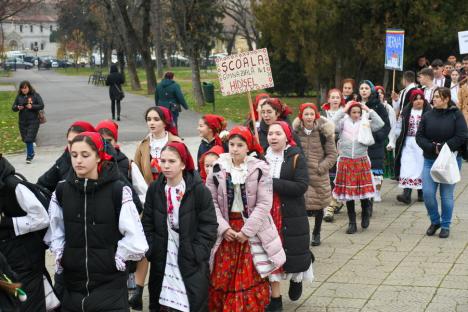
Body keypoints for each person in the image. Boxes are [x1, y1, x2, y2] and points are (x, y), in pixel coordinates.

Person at [46, 132, 148, 311]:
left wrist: (117, 258)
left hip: (110, 286)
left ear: (99, 157)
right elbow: (56, 230)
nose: (78, 160)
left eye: (85, 155)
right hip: (73, 285)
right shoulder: (62, 190)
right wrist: (64, 256)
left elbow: (135, 237)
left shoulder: (117, 190)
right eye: (74, 155)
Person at [207, 126, 286, 312]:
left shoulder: (260, 169)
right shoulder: (218, 168)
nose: (234, 149)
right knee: (222, 274)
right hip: (227, 230)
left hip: (250, 230)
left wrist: (246, 231)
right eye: (232, 144)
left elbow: (264, 204)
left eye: (239, 145)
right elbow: (210, 202)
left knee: (248, 275)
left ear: (248, 147)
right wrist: (224, 229)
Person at [142, 141, 217, 311]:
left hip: (190, 258)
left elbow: (209, 225)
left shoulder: (199, 190)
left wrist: (197, 252)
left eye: (172, 161)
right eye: (163, 161)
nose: (166, 165)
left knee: (190, 302)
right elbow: (147, 222)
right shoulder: (155, 189)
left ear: (183, 163)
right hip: (162, 256)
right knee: (162, 302)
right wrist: (151, 248)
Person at [130, 106, 182, 310]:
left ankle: (170, 291)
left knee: (166, 247)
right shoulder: (143, 145)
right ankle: (138, 290)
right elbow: (135, 170)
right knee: (144, 244)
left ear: (165, 122)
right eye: (149, 119)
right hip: (147, 201)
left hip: (170, 200)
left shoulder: (176, 143)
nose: (152, 123)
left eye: (156, 119)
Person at [265, 121, 313, 309]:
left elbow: (301, 186)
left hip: (291, 212)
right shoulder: (262, 157)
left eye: (278, 133)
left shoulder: (296, 157)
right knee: (270, 252)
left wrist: (273, 183)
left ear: (287, 137)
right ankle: (274, 298)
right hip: (268, 212)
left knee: (293, 250)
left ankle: (296, 278)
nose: (273, 137)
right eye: (270, 134)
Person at [0, 154, 52, 311]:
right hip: (6, 259)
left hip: (25, 258)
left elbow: (42, 218)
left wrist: (7, 223)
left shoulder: (13, 186)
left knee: (28, 304)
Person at [416, 87, 468, 238]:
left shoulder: (456, 115)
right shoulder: (427, 116)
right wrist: (433, 147)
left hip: (450, 161)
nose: (434, 99)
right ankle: (435, 221)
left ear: (446, 99)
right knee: (428, 193)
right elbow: (419, 137)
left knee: (446, 196)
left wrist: (444, 147)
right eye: (434, 96)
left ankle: (445, 225)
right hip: (429, 160)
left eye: (438, 97)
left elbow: (462, 135)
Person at [332, 101, 385, 234]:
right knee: (348, 194)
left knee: (363, 192)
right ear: (349, 112)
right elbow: (331, 124)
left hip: (361, 160)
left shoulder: (365, 122)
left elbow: (380, 124)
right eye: (353, 112)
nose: (356, 115)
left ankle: (365, 212)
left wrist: (368, 109)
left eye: (358, 112)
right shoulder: (343, 123)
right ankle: (352, 222)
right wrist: (343, 110)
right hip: (346, 161)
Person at [293, 103, 337, 244]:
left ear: (316, 115)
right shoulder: (296, 132)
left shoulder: (324, 131)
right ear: (301, 116)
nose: (309, 117)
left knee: (318, 206)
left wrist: (321, 168)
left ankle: (317, 232)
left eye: (312, 114)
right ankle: (303, 233)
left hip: (318, 175)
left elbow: (332, 154)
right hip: (300, 175)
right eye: (306, 114)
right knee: (301, 207)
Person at [394, 89, 431, 204]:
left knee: (420, 167)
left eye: (421, 99)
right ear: (412, 101)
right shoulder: (405, 112)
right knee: (407, 166)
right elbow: (398, 127)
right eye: (416, 99)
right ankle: (407, 194)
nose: (419, 101)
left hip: (422, 144)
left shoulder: (429, 112)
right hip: (408, 143)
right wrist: (396, 137)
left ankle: (421, 193)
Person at [38, 121, 96, 193]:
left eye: (77, 141)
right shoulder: (65, 159)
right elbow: (42, 184)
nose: (72, 146)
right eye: (70, 142)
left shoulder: (107, 167)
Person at [358, 81, 390, 203]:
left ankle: (376, 191)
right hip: (360, 143)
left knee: (376, 169)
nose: (364, 90)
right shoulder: (356, 105)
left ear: (371, 90)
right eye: (361, 88)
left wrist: (377, 137)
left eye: (366, 88)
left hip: (375, 143)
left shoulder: (378, 105)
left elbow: (386, 125)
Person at [321, 89, 345, 222]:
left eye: (337, 97)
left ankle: (336, 201)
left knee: (337, 177)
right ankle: (329, 205)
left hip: (340, 148)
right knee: (327, 178)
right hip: (325, 149)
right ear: (328, 99)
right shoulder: (322, 114)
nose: (335, 100)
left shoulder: (344, 113)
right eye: (332, 97)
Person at [11, 81, 44, 164]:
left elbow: (41, 105)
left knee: (29, 139)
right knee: (25, 139)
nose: (24, 90)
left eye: (25, 87)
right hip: (22, 121)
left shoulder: (35, 95)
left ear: (29, 87)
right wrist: (18, 107)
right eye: (22, 88)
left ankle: (29, 156)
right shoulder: (19, 96)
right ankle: (31, 151)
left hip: (33, 121)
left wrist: (32, 106)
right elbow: (13, 108)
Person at [375, 86, 397, 180]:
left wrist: (391, 141)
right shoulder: (369, 106)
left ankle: (378, 191)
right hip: (372, 139)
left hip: (384, 138)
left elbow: (393, 125)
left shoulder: (388, 108)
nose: (379, 94)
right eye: (377, 92)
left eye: (381, 92)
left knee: (381, 170)